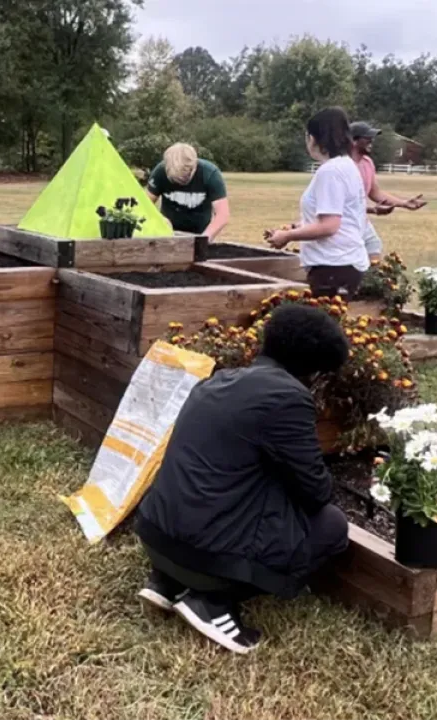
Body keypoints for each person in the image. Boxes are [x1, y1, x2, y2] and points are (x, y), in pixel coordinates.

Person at [135, 304, 351, 654]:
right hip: (203, 555)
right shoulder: (287, 397)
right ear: (313, 370)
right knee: (332, 526)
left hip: (155, 535)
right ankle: (213, 601)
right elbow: (315, 491)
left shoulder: (217, 380)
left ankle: (167, 582)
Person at [266, 108, 369, 300]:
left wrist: (288, 236)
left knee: (324, 319)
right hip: (342, 264)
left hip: (333, 265)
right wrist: (295, 227)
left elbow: (329, 226)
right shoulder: (346, 165)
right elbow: (336, 215)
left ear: (313, 138)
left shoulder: (330, 171)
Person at [348, 121, 427, 264]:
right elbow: (343, 205)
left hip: (361, 221)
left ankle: (371, 277)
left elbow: (375, 192)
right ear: (353, 141)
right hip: (345, 224)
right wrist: (372, 210)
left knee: (373, 246)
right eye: (367, 138)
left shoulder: (367, 163)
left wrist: (404, 203)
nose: (372, 141)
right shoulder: (343, 167)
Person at [146, 143, 230, 239]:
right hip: (167, 235)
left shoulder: (210, 174)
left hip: (200, 233)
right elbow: (144, 205)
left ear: (194, 165)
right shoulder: (160, 172)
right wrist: (160, 219)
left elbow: (222, 215)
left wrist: (203, 239)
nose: (181, 182)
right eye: (176, 179)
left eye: (185, 176)